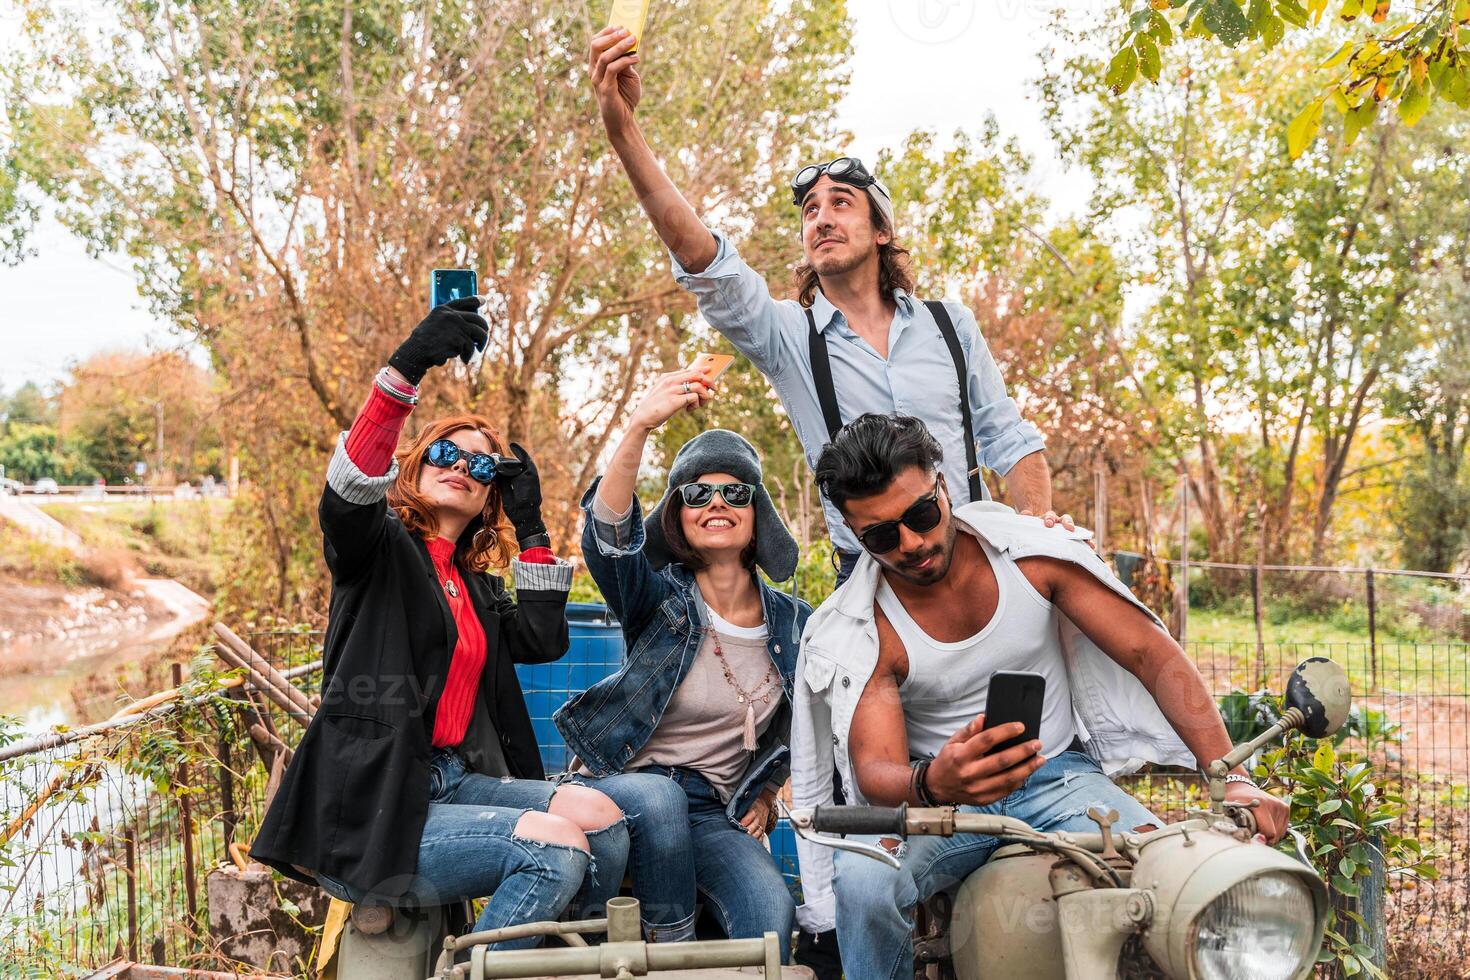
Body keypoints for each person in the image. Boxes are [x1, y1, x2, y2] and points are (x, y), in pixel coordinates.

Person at [790, 414, 1291, 980]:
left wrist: (1234, 777)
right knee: (863, 884)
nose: (910, 544)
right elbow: (876, 768)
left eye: (921, 515)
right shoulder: (863, 628)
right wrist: (933, 781)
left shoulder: (1034, 556)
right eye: (879, 536)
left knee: (1171, 871)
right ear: (856, 536)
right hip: (941, 806)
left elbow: (1152, 654)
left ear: (944, 485)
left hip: (1060, 775)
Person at [588, 24, 1069, 591]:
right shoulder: (790, 338)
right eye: (810, 210)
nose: (821, 217)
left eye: (841, 204)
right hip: (871, 580)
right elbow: (704, 259)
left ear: (881, 232)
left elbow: (1007, 437)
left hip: (975, 568)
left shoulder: (950, 325)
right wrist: (624, 133)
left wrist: (1037, 530)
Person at [250, 298, 629, 949]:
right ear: (416, 467)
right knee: (557, 850)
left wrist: (532, 525)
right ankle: (481, 970)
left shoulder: (472, 583)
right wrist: (409, 364)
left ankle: (554, 962)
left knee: (603, 820)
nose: (462, 466)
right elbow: (349, 491)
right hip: (374, 815)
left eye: (482, 466)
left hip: (451, 781)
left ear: (489, 496)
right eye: (446, 454)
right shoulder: (380, 551)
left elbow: (543, 639)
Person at [553, 368, 811, 956]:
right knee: (661, 799)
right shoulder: (658, 599)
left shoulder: (795, 623)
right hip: (620, 789)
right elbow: (610, 537)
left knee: (770, 918)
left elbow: (801, 724)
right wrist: (642, 423)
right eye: (696, 493)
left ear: (757, 515)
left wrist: (768, 794)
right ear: (678, 512)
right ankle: (675, 952)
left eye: (735, 492)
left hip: (710, 808)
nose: (715, 503)